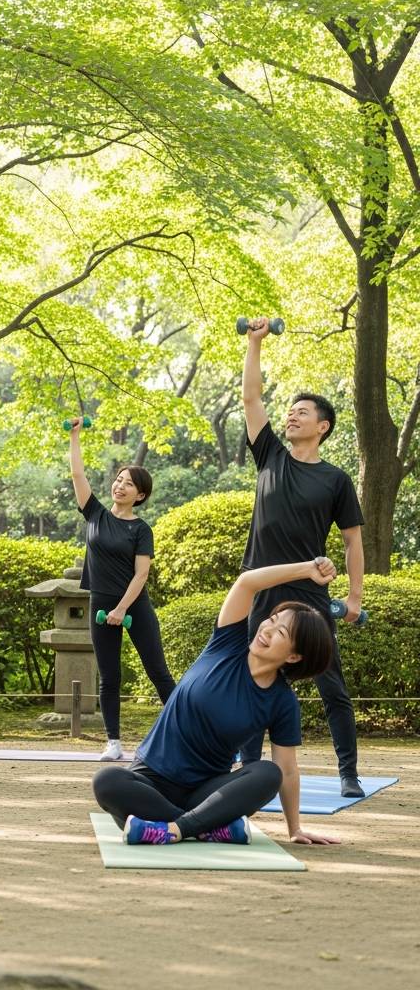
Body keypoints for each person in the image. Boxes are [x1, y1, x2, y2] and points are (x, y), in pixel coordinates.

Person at [93, 559, 341, 847]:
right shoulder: (226, 643)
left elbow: (286, 769)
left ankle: (173, 828)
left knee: (266, 773)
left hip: (208, 792)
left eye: (281, 633)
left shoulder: (281, 701)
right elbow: (247, 583)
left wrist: (294, 828)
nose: (267, 631)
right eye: (271, 621)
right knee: (107, 781)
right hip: (151, 781)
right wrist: (307, 570)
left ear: (294, 656)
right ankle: (204, 827)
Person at [240, 318, 366, 797]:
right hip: (262, 585)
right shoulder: (270, 453)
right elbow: (252, 399)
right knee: (254, 677)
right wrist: (255, 344)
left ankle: (348, 773)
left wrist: (353, 596)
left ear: (322, 426)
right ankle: (249, 770)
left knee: (331, 685)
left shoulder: (335, 479)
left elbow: (353, 540)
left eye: (302, 412)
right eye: (289, 411)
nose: (291, 416)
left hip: (310, 592)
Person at [69, 420, 176, 761]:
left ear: (140, 495)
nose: (120, 486)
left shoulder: (141, 529)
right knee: (110, 675)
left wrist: (122, 610)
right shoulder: (96, 515)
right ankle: (113, 742)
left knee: (158, 672)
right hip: (100, 601)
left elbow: (141, 574)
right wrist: (74, 437)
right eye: (118, 480)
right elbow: (77, 476)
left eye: (128, 484)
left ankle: (188, 733)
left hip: (135, 605)